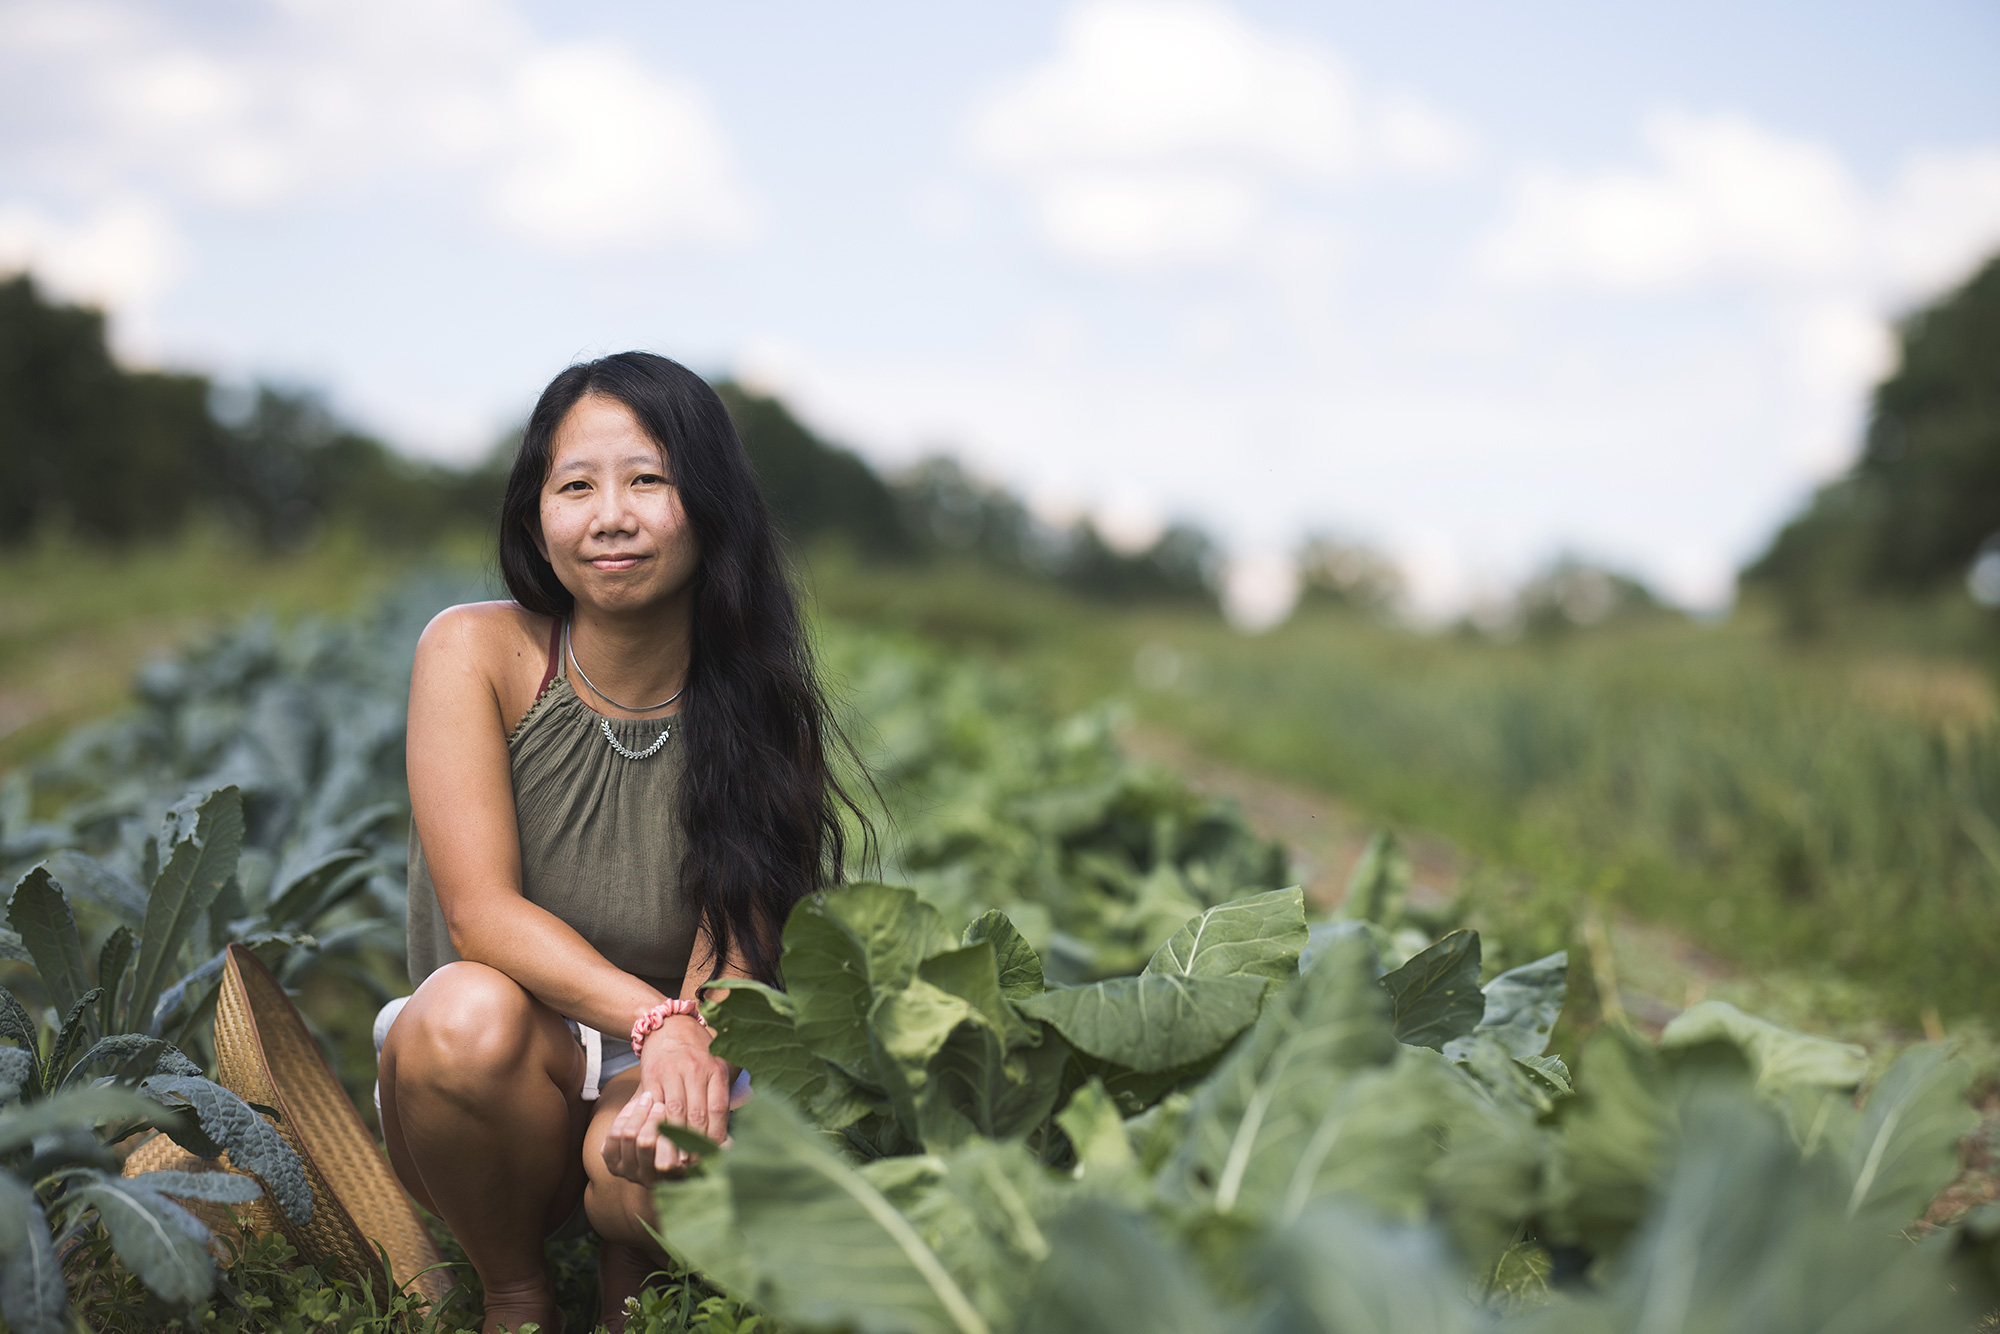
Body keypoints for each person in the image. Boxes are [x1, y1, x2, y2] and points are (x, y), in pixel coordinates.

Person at [375, 352, 869, 1334]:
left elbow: (731, 942)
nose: (610, 514)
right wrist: (659, 1020)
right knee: (462, 1014)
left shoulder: (760, 707)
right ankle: (514, 1286)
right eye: (575, 486)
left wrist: (685, 1049)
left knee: (659, 1165)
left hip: (669, 1042)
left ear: (710, 506)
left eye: (648, 479)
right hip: (515, 1049)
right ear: (535, 520)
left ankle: (631, 1263)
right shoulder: (473, 653)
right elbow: (481, 914)